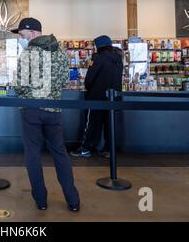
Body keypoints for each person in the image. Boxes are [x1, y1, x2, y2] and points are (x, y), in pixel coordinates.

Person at [12, 18, 80, 212]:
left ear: (32, 33)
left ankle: (41, 200)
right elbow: (63, 82)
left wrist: (30, 95)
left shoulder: (29, 54)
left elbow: (19, 86)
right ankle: (73, 200)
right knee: (60, 153)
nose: (22, 40)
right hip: (54, 110)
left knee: (33, 154)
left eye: (23, 36)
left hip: (31, 111)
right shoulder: (60, 53)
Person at [71, 35, 123, 159]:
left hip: (97, 97)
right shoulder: (118, 59)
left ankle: (86, 148)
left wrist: (88, 87)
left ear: (99, 45)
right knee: (109, 124)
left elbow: (89, 79)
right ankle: (108, 149)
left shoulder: (97, 58)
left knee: (92, 124)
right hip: (113, 98)